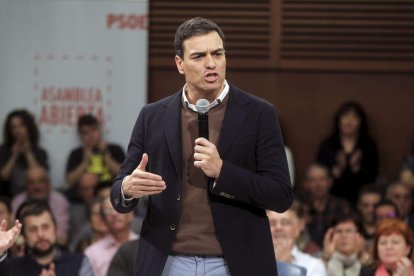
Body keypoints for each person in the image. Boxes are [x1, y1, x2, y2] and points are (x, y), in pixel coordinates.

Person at [110, 17, 293, 276]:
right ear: (180, 64)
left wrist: (223, 172)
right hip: (167, 261)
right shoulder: (152, 116)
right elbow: (119, 193)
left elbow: (281, 194)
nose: (211, 63)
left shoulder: (259, 114)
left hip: (236, 263)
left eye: (217, 53)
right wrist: (127, 189)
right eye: (198, 56)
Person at [0, 200, 93, 276]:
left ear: (56, 229)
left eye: (45, 227)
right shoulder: (12, 267)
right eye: (33, 229)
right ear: (24, 235)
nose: (40, 234)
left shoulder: (79, 261)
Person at [316, 101, 379, 205]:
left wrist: (356, 168)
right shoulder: (328, 145)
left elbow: (372, 177)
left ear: (361, 122)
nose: (349, 121)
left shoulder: (368, 146)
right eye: (345, 116)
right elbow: (320, 173)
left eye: (354, 117)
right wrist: (338, 169)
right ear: (338, 120)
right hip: (331, 198)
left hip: (361, 199)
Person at [11, 167, 70, 244]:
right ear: (26, 186)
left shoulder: (59, 201)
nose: (37, 186)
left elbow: (62, 239)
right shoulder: (17, 202)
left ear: (49, 183)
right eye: (31, 183)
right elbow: (13, 235)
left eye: (41, 181)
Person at [267, 201, 327, 276]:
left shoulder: (313, 265)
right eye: (272, 223)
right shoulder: (253, 262)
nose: (278, 228)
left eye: (285, 223)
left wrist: (284, 266)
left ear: (297, 228)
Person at [299, 162, 351, 247]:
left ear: (330, 182)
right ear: (306, 184)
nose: (318, 184)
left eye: (322, 179)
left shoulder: (341, 206)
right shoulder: (299, 206)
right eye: (313, 180)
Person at [66, 114, 125, 188]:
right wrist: (85, 162)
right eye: (85, 132)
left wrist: (106, 157)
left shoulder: (115, 149)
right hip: (85, 195)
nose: (90, 135)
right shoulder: (76, 153)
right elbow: (69, 182)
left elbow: (125, 176)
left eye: (93, 130)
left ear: (100, 130)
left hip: (111, 191)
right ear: (81, 135)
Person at [0, 109, 49, 197]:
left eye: (21, 126)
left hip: (33, 197)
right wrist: (14, 156)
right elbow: (4, 177)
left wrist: (27, 153)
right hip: (7, 198)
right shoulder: (3, 150)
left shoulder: (40, 152)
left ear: (29, 127)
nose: (18, 130)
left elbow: (39, 177)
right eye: (14, 127)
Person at [84, 195, 137, 276]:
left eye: (119, 208)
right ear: (104, 220)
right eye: (108, 211)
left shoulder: (145, 245)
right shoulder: (92, 253)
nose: (114, 214)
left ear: (130, 215)